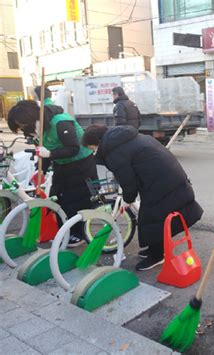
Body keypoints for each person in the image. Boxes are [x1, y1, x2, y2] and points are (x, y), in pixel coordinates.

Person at [82, 124, 203, 271]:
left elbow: (128, 181)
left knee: (153, 217)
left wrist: (128, 198)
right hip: (169, 177)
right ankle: (154, 249)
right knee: (155, 216)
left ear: (98, 142)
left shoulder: (114, 151)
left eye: (92, 147)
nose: (93, 151)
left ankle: (157, 256)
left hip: (162, 182)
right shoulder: (125, 138)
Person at [7, 100, 97, 247]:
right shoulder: (37, 128)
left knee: (77, 199)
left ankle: (79, 233)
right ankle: (64, 230)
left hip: (81, 164)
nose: (23, 130)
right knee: (57, 197)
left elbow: (73, 148)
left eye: (22, 125)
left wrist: (49, 153)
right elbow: (44, 152)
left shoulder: (61, 122)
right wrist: (40, 169)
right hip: (61, 164)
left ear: (30, 118)